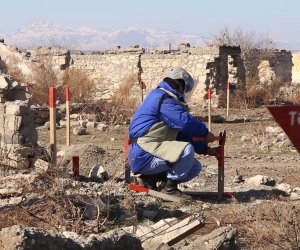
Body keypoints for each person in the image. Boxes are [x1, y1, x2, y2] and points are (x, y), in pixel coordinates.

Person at [128, 67, 219, 199]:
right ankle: (169, 189)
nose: (185, 93)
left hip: (148, 150)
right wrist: (205, 134)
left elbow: (181, 134)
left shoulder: (162, 97)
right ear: (178, 84)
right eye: (185, 88)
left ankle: (149, 180)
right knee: (186, 151)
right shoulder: (163, 99)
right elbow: (185, 123)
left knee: (194, 166)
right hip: (143, 152)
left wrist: (205, 149)